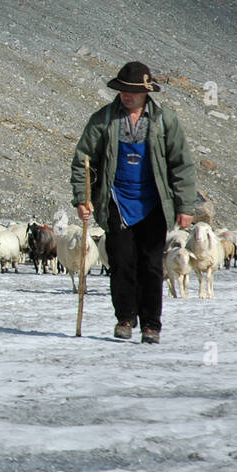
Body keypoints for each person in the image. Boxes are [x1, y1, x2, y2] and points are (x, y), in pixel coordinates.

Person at [71, 62, 196, 344]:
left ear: (145, 93)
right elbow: (83, 161)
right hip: (117, 201)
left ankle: (151, 324)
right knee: (122, 262)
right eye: (123, 90)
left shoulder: (164, 120)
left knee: (151, 265)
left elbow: (181, 164)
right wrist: (82, 197)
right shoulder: (104, 120)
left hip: (153, 203)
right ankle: (125, 318)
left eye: (133, 91)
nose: (126, 96)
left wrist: (185, 205)